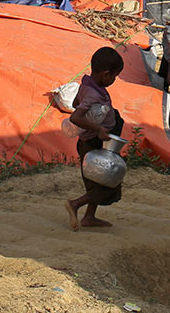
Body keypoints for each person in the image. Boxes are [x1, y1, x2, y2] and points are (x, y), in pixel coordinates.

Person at [65, 46, 126, 231]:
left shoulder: (89, 84)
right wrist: (98, 127)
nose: (113, 80)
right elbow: (75, 116)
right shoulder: (93, 93)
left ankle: (89, 217)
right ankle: (75, 204)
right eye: (114, 76)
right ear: (106, 74)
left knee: (98, 180)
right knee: (108, 184)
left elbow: (76, 103)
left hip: (94, 140)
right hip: (93, 142)